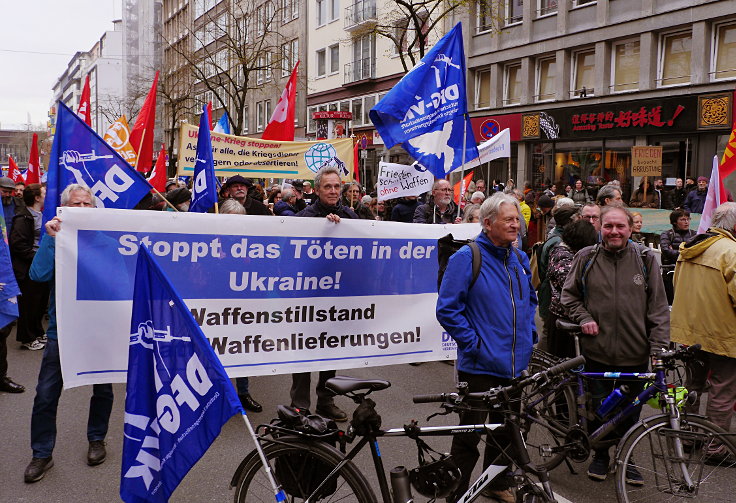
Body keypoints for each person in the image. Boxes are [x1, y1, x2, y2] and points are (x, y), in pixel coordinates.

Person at [437, 192, 537, 503]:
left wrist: (530, 334)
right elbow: (447, 309)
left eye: (516, 219)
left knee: (506, 432)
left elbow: (529, 300)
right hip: (479, 366)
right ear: (487, 223)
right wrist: (474, 344)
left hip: (514, 365)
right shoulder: (466, 257)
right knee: (469, 435)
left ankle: (496, 482)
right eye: (508, 219)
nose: (515, 224)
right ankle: (456, 491)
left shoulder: (519, 258)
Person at [561, 205, 669, 483]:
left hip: (635, 354)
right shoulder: (586, 257)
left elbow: (658, 309)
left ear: (631, 228)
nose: (614, 232)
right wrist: (583, 317)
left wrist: (658, 349)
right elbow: (568, 296)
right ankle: (601, 455)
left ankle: (626, 456)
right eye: (608, 226)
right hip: (596, 352)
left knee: (631, 411)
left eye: (620, 226)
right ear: (600, 228)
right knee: (600, 408)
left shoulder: (645, 259)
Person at [24, 184, 114, 483]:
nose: (83, 209)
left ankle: (97, 439)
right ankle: (41, 454)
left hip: (99, 329)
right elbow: (38, 275)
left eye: (88, 204)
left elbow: (120, 282)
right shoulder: (56, 239)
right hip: (62, 331)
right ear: (65, 209)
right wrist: (51, 240)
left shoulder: (107, 242)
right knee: (46, 394)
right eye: (77, 204)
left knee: (102, 390)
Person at [292, 167, 356, 422]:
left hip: (337, 296)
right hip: (308, 295)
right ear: (317, 190)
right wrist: (322, 230)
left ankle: (326, 400)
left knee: (329, 350)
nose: (332, 191)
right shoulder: (304, 217)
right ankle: (300, 404)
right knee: (304, 349)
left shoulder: (350, 216)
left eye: (336, 186)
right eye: (327, 187)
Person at [671, 202, 736, 436]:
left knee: (693, 384)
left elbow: (676, 285)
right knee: (722, 389)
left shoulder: (691, 245)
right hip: (723, 334)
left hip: (690, 331)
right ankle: (716, 445)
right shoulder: (731, 251)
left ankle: (688, 436)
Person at [546, 220, 598, 358]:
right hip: (563, 319)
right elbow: (571, 286)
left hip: (576, 318)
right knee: (563, 365)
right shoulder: (562, 255)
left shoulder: (573, 252)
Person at [10, 184, 50, 351]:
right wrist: (37, 258)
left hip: (41, 266)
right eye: (44, 193)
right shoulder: (23, 218)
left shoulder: (41, 215)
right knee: (28, 304)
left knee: (39, 303)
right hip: (28, 268)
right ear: (37, 198)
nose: (47, 195)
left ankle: (38, 332)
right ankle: (27, 338)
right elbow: (18, 244)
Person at [660, 209, 695, 304]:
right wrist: (687, 253)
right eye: (683, 219)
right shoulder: (667, 234)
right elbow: (666, 251)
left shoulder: (694, 234)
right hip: (670, 272)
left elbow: (697, 252)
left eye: (688, 219)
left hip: (689, 273)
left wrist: (677, 252)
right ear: (675, 222)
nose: (686, 222)